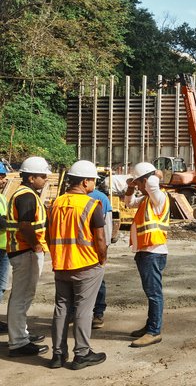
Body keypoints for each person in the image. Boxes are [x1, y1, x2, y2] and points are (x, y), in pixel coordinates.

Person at [47, 160, 107, 369]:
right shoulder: (91, 204)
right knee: (83, 309)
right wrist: (102, 259)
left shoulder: (56, 203)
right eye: (92, 181)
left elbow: (48, 234)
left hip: (61, 264)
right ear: (84, 182)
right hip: (86, 265)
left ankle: (57, 355)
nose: (94, 185)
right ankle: (81, 354)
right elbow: (100, 239)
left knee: (61, 308)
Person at [6, 156, 51, 357]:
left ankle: (20, 333)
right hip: (26, 251)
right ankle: (18, 342)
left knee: (22, 296)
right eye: (42, 176)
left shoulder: (25, 194)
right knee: (21, 297)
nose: (45, 179)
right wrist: (36, 246)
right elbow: (25, 226)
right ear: (31, 178)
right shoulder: (27, 196)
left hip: (23, 251)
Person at [125, 162, 169, 348]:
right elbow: (128, 203)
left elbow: (152, 184)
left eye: (139, 183)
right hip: (145, 252)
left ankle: (154, 332)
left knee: (154, 294)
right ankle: (150, 326)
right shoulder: (146, 200)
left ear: (145, 180)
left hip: (153, 253)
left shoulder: (159, 198)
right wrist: (130, 187)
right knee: (151, 293)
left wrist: (154, 175)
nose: (140, 187)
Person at [87, 186, 113, 329]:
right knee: (98, 282)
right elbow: (107, 229)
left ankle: (97, 313)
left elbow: (105, 230)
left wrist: (103, 249)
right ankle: (97, 313)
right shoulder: (101, 198)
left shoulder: (100, 198)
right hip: (83, 250)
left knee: (98, 282)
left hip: (93, 249)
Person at [0, 162, 9, 333]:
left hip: (3, 248)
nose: (3, 180)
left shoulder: (2, 197)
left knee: (1, 287)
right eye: (1, 177)